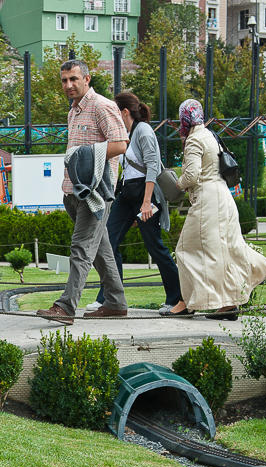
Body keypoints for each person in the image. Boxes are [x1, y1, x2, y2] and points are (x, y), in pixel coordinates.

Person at [36, 59, 128, 325]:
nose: (68, 85)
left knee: (80, 249)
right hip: (72, 191)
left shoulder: (103, 106)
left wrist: (88, 155)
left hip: (95, 194)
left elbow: (121, 144)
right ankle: (116, 302)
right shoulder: (73, 111)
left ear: (87, 79)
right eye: (64, 80)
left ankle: (66, 307)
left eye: (74, 79)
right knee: (100, 249)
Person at [173, 99, 266, 320]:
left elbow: (191, 175)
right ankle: (228, 306)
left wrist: (176, 184)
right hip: (224, 199)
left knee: (184, 250)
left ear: (184, 118)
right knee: (227, 250)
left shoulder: (194, 140)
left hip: (207, 201)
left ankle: (187, 303)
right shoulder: (210, 135)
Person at [88, 92, 184, 316]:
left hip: (144, 193)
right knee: (107, 243)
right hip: (127, 194)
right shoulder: (125, 133)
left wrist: (146, 203)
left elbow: (152, 166)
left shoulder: (144, 131)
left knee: (155, 247)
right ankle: (110, 298)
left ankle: (176, 298)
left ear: (124, 112)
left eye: (114, 113)